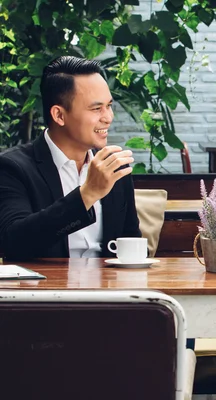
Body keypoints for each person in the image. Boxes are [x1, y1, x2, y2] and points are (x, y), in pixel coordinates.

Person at [0, 56, 141, 260]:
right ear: (59, 115)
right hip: (47, 289)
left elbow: (132, 244)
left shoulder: (114, 168)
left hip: (111, 290)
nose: (108, 117)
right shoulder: (13, 168)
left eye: (109, 106)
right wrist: (88, 193)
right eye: (96, 108)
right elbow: (15, 243)